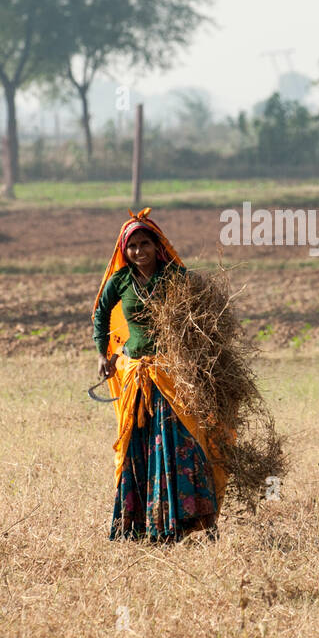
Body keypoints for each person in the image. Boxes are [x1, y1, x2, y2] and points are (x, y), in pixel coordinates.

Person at [91, 208, 230, 542]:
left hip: (171, 375)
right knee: (137, 446)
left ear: (157, 245)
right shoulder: (120, 281)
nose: (139, 251)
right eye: (132, 246)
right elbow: (100, 313)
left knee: (181, 442)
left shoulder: (175, 278)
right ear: (124, 251)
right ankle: (141, 526)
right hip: (136, 377)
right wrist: (103, 353)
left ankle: (197, 522)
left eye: (145, 244)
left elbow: (204, 307)